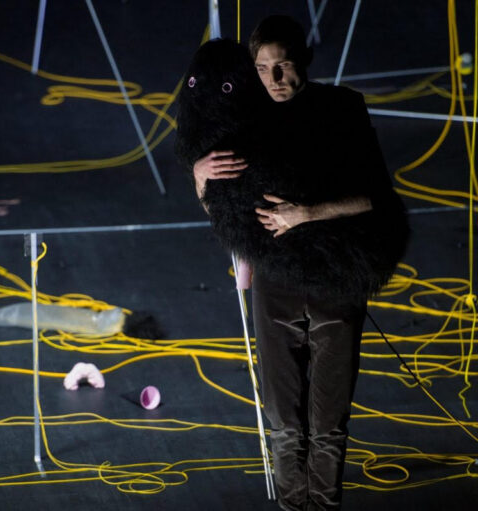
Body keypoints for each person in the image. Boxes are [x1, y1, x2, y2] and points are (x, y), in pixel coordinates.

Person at [191, 16, 408, 511]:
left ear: (301, 60)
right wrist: (201, 177)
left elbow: (376, 195)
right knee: (284, 419)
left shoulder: (341, 107)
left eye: (283, 65)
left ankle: (324, 504)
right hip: (276, 280)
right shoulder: (243, 117)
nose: (276, 79)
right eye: (264, 69)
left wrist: (305, 214)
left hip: (336, 277)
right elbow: (219, 207)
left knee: (328, 420)